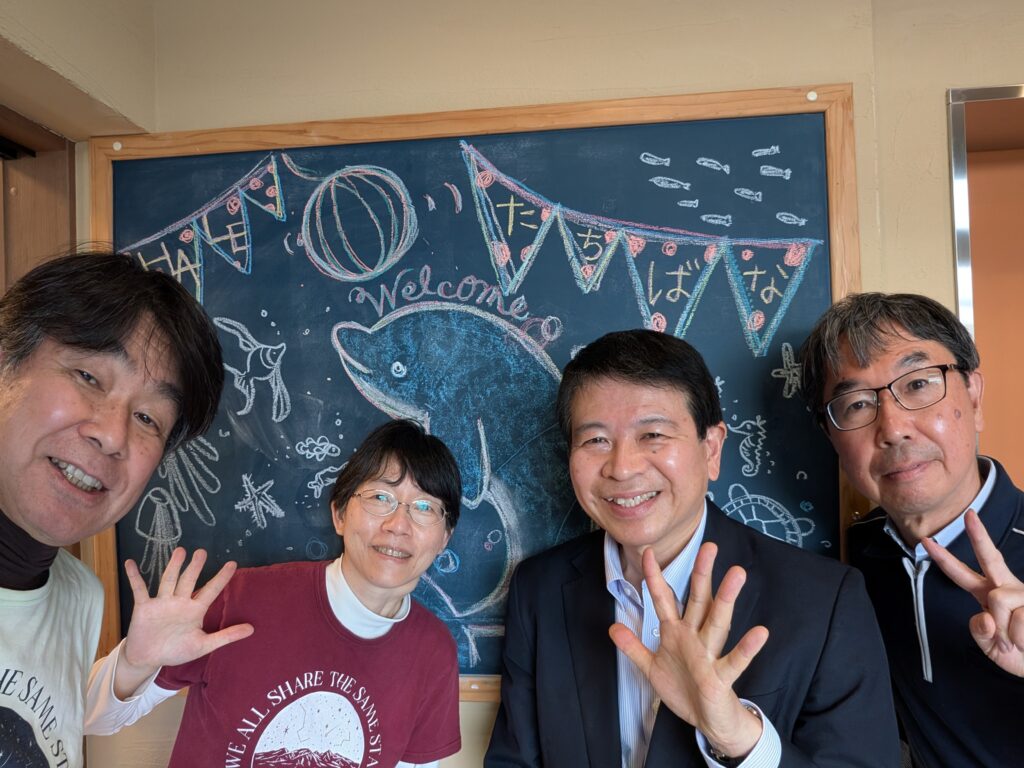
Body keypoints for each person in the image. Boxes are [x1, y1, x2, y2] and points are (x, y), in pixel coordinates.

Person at [485, 329, 900, 767]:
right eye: (596, 440)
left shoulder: (824, 600)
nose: (622, 468)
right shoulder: (540, 589)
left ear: (712, 449)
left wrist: (738, 736)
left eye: (653, 435)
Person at [86, 418, 463, 768]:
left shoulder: (432, 652)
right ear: (339, 514)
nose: (398, 525)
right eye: (380, 497)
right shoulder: (240, 599)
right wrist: (134, 664)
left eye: (424, 507)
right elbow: (92, 718)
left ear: (445, 537)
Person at [0, 250, 224, 768]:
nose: (113, 435)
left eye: (148, 418)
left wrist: (135, 665)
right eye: (88, 376)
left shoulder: (80, 595)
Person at [800, 292, 1024, 767]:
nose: (893, 428)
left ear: (974, 395)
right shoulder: (850, 559)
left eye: (919, 384)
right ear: (830, 436)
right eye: (857, 404)